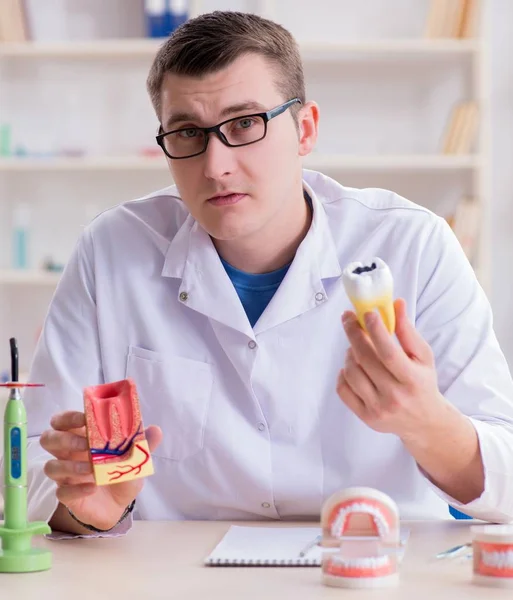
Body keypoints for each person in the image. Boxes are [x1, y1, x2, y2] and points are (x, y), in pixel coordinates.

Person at [8, 10, 513, 537]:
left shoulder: (413, 245)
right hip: (173, 582)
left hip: (373, 573)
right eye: (186, 132)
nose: (215, 165)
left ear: (306, 129)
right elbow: (37, 471)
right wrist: (93, 510)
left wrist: (427, 422)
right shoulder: (110, 252)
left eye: (245, 123)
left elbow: (506, 479)